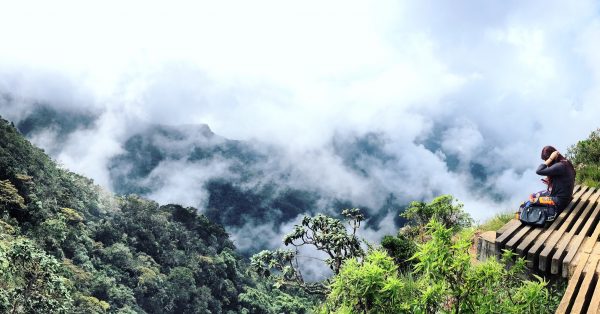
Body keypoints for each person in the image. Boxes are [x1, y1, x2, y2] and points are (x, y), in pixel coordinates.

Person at [533, 146, 576, 220]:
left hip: (559, 202)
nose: (546, 161)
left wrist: (550, 159)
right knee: (535, 195)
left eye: (546, 159)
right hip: (566, 198)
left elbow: (539, 171)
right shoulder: (565, 162)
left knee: (533, 199)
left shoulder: (559, 166)